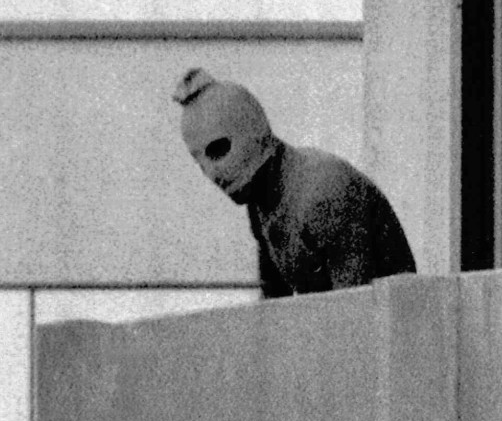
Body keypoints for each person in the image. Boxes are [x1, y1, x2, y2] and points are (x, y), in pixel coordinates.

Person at [172, 68, 416, 298]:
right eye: (200, 163)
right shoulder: (261, 204)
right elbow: (273, 306)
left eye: (218, 150)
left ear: (253, 131)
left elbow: (352, 308)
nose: (212, 174)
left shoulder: (323, 189)